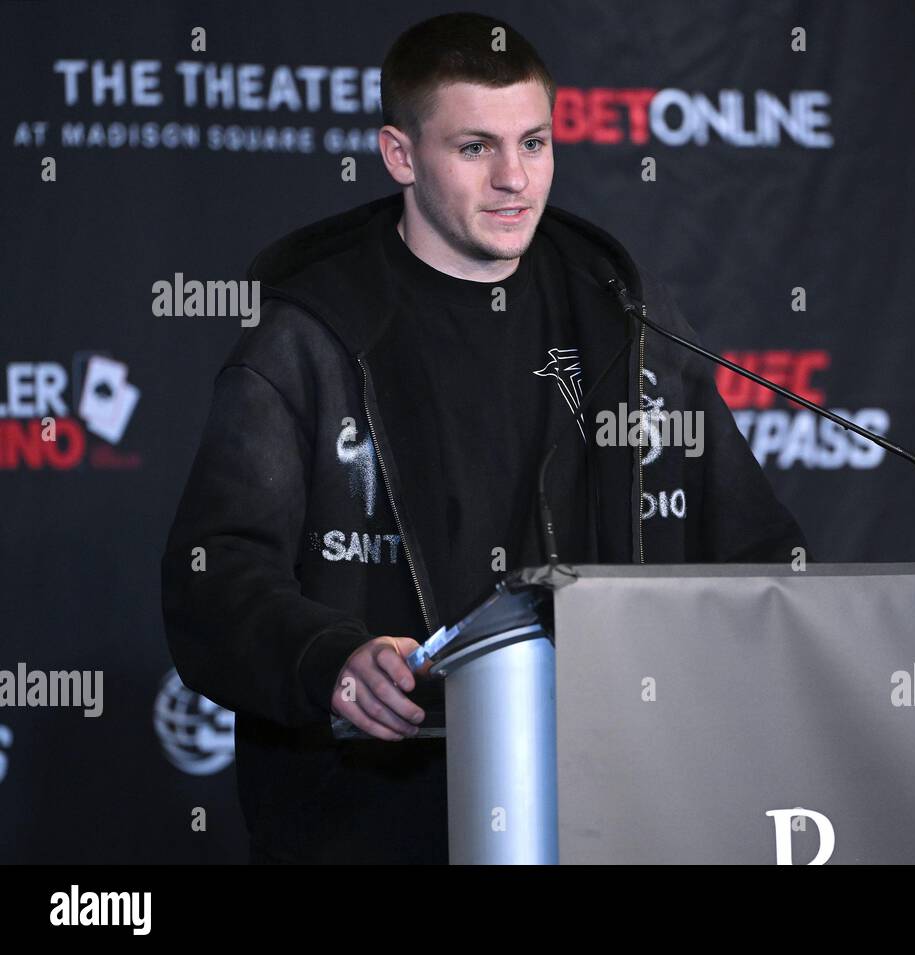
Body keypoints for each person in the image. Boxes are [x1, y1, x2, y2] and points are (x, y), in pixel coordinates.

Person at [160, 12, 806, 864]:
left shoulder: (624, 319)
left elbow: (757, 552)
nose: (514, 179)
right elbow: (213, 578)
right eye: (474, 148)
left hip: (606, 807)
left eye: (533, 143)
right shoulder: (310, 336)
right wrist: (330, 658)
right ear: (400, 156)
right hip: (373, 817)